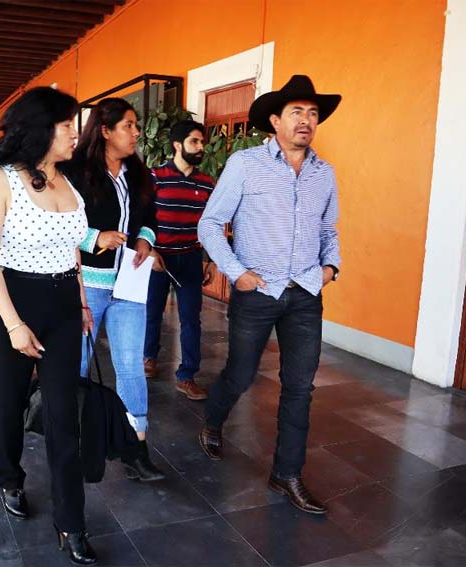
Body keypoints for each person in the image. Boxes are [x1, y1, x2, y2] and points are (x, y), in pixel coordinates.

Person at [197, 75, 342, 515]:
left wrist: (331, 267)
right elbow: (210, 224)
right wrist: (237, 273)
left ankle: (287, 473)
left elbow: (328, 229)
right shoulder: (245, 164)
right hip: (257, 291)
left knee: (300, 386)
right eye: (297, 112)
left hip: (305, 293)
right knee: (241, 374)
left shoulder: (324, 174)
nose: (306, 120)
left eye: (312, 113)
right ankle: (213, 419)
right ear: (275, 120)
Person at [0, 86, 97, 565]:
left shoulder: (69, 180)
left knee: (64, 414)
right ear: (41, 129)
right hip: (11, 301)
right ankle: (10, 477)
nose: (75, 133)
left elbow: (72, 250)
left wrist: (81, 301)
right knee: (9, 402)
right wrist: (13, 325)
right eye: (67, 125)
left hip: (63, 304)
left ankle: (72, 522)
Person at [62, 98, 164, 482]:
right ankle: (70, 442)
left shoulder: (139, 173)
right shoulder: (75, 172)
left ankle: (136, 449)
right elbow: (57, 223)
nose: (136, 133)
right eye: (128, 126)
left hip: (129, 285)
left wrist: (145, 239)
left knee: (131, 365)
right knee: (77, 363)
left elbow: (150, 215)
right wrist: (95, 238)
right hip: (87, 284)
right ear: (105, 131)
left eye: (136, 126)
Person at [143, 120, 214, 400]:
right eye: (194, 141)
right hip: (158, 257)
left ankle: (186, 376)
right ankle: (149, 357)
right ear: (177, 145)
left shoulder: (206, 182)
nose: (200, 147)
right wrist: (149, 251)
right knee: (152, 312)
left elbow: (209, 224)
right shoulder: (155, 176)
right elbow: (140, 216)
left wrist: (208, 260)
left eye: (201, 142)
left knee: (191, 318)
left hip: (190, 257)